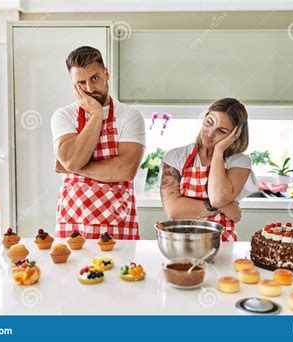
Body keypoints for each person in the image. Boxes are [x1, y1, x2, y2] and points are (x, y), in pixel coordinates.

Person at [51, 46, 146, 239]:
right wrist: (96, 115)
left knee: (123, 270)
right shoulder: (64, 115)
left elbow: (125, 170)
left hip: (117, 222)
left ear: (106, 74)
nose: (89, 88)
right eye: (81, 83)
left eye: (95, 78)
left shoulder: (130, 116)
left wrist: (74, 168)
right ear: (73, 85)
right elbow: (71, 160)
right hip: (74, 220)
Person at [160, 98, 257, 241]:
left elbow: (219, 198)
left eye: (222, 131)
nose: (210, 133)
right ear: (205, 117)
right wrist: (226, 207)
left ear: (235, 135)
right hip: (184, 242)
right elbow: (174, 210)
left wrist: (218, 151)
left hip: (222, 244)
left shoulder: (239, 162)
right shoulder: (176, 157)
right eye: (209, 123)